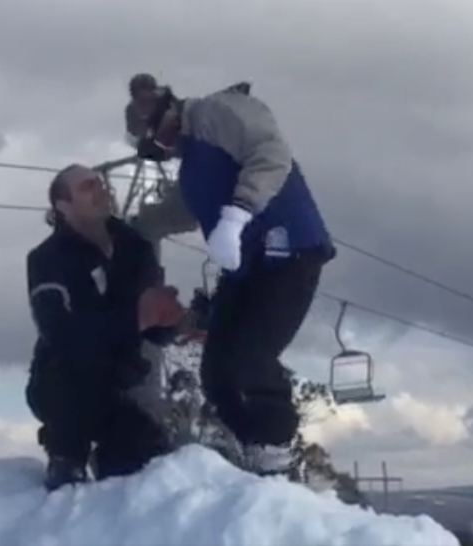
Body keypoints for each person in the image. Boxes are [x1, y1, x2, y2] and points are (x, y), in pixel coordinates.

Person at [138, 84, 336, 475]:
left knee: (251, 356)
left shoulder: (218, 112)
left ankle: (277, 446)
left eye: (161, 134)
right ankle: (253, 444)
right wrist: (131, 229)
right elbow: (178, 210)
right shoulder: (193, 163)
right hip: (249, 267)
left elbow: (270, 154)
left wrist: (237, 214)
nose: (165, 145)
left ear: (170, 109)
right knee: (216, 371)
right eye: (155, 145)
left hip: (288, 249)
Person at [25, 163, 191, 491]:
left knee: (144, 458)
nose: (101, 190)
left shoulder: (136, 248)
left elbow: (153, 326)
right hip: (61, 384)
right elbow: (60, 333)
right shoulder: (47, 259)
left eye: (101, 183)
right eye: (87, 187)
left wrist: (175, 323)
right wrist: (138, 318)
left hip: (118, 385)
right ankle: (65, 459)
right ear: (63, 206)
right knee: (67, 372)